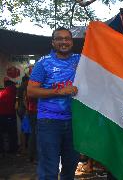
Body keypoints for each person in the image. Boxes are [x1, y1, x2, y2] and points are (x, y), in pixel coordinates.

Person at [27, 27, 80, 179]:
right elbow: (31, 91)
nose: (64, 41)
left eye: (67, 39)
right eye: (59, 39)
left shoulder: (80, 60)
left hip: (75, 122)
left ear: (71, 42)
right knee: (49, 169)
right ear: (53, 42)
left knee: (70, 168)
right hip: (49, 122)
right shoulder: (43, 63)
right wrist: (59, 91)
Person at [0, 80, 17, 155]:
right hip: (11, 115)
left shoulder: (1, 93)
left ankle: (2, 149)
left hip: (2, 116)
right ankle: (12, 149)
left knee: (2, 134)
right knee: (12, 134)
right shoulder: (13, 92)